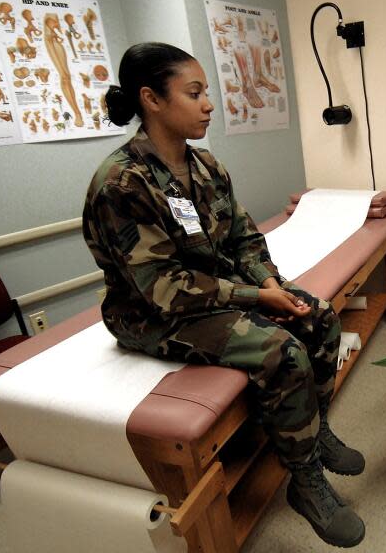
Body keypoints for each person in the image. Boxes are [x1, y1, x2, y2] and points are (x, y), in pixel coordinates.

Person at [82, 42, 365, 548]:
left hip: (219, 291)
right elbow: (164, 290)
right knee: (283, 352)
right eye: (194, 93)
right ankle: (303, 477)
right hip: (153, 314)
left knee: (319, 316)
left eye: (206, 91)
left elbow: (244, 238)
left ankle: (312, 430)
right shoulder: (122, 183)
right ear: (151, 99)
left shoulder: (206, 166)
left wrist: (272, 284)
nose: (208, 103)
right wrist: (256, 299)